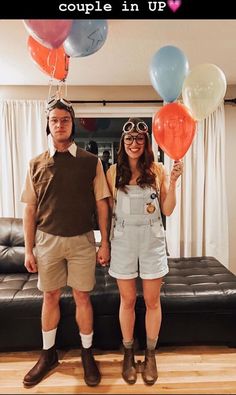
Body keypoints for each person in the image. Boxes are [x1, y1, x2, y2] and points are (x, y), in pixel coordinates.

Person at [21, 98, 111, 388]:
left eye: (65, 120)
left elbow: (102, 205)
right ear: (47, 125)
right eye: (54, 120)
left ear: (73, 124)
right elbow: (30, 209)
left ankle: (87, 355)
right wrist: (28, 247)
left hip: (83, 241)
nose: (59, 124)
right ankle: (48, 355)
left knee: (83, 297)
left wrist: (104, 242)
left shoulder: (90, 161)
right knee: (50, 297)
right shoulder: (35, 164)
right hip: (47, 242)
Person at [106, 117, 183, 385]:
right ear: (122, 142)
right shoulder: (113, 172)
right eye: (129, 138)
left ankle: (150, 354)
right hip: (124, 239)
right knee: (127, 300)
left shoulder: (158, 169)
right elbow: (107, 211)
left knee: (152, 301)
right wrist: (104, 242)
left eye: (139, 138)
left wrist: (173, 182)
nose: (134, 143)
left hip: (152, 239)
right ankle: (128, 352)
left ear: (146, 142)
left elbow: (167, 210)